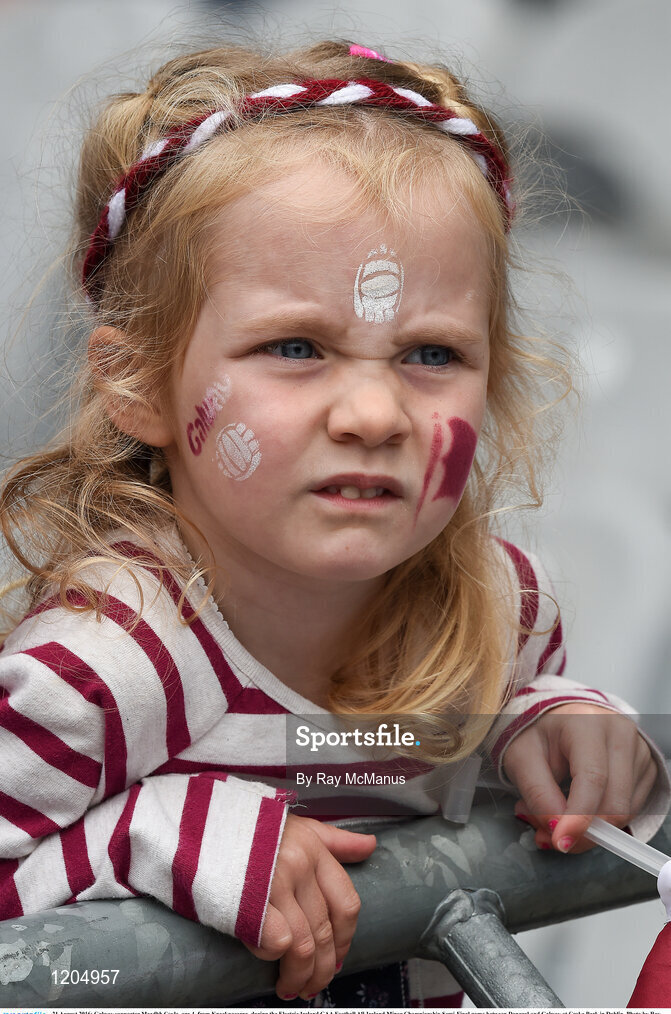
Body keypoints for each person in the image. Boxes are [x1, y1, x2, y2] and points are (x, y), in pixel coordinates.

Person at [0, 39, 666, 1008]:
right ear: (138, 383)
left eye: (430, 354)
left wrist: (545, 729)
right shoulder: (104, 667)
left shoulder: (498, 614)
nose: (373, 414)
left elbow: (501, 753)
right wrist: (158, 835)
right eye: (297, 347)